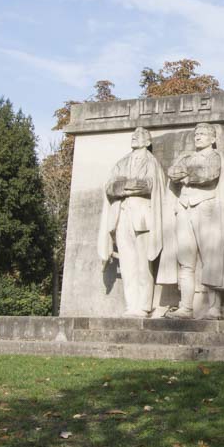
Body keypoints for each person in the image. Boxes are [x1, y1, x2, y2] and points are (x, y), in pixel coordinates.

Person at [162, 123, 224, 319]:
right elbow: (172, 172)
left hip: (207, 208)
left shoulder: (216, 157)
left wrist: (186, 176)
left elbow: (208, 175)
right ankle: (186, 307)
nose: (198, 137)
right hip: (184, 208)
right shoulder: (186, 157)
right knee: (185, 261)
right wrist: (188, 175)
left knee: (210, 258)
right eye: (196, 134)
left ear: (213, 139)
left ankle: (214, 307)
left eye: (203, 134)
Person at [95, 127, 167, 317]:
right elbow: (110, 187)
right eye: (133, 135)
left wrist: (125, 185)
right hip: (122, 217)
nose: (135, 137)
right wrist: (128, 186)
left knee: (143, 264)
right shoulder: (122, 162)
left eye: (140, 135)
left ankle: (143, 306)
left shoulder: (152, 163)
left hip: (143, 218)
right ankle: (131, 304)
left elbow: (149, 185)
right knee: (127, 264)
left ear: (147, 141)